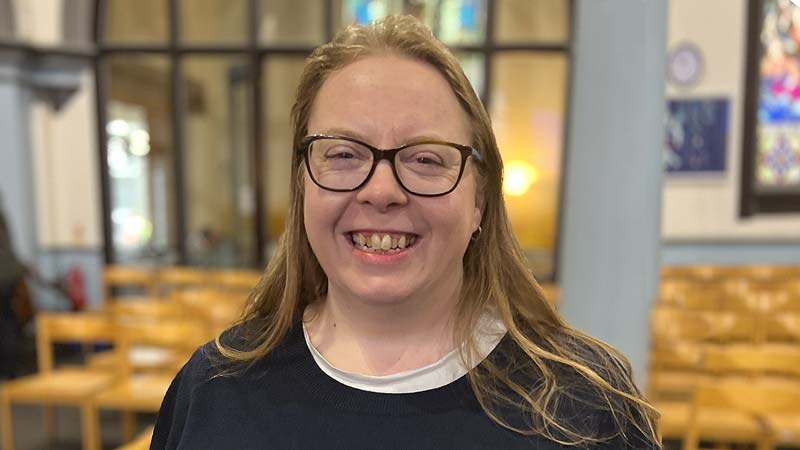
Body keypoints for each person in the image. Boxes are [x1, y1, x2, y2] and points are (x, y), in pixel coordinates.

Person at [151, 15, 661, 450]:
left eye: (424, 159)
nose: (381, 191)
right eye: (344, 154)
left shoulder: (587, 408)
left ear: (480, 199)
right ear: (303, 184)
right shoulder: (213, 393)